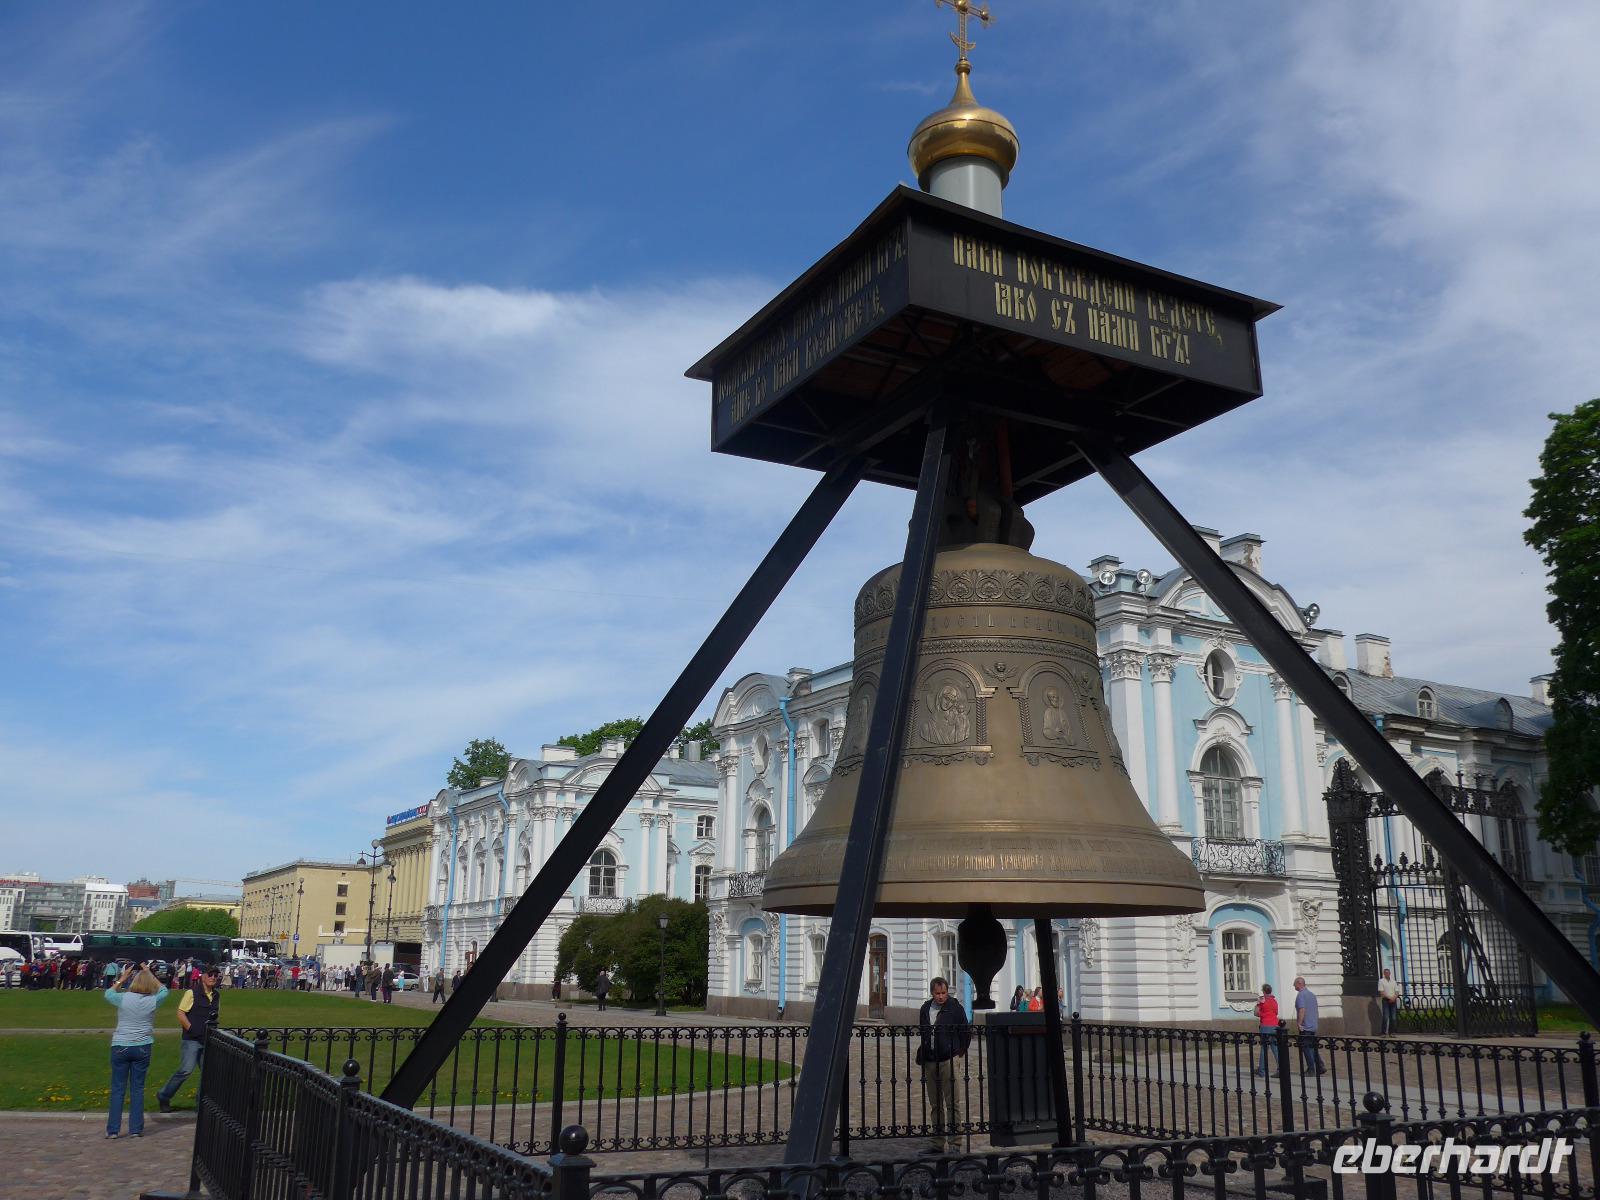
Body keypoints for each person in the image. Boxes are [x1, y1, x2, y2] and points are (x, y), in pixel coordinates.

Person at [104, 963, 169, 1138]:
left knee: (118, 1089)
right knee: (137, 1089)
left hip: (121, 1045)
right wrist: (150, 974)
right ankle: (135, 1129)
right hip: (142, 1045)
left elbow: (108, 993)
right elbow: (164, 991)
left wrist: (122, 978)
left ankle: (113, 1130)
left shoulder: (124, 998)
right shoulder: (152, 1000)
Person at [917, 977, 972, 1154]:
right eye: (937, 993)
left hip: (949, 1059)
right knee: (935, 1104)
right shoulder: (926, 1008)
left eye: (943, 993)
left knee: (952, 1103)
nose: (941, 996)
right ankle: (937, 1143)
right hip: (930, 1060)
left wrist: (960, 1051)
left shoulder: (955, 1008)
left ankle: (955, 1143)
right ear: (932, 993)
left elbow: (965, 1031)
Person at [156, 964, 221, 1113]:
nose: (213, 977)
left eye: (215, 975)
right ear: (202, 976)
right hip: (192, 1039)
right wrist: (192, 1029)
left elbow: (215, 1016)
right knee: (186, 1070)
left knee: (208, 1073)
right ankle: (164, 1095)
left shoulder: (216, 995)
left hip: (208, 1038)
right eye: (210, 974)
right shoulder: (192, 993)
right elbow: (180, 1013)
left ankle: (201, 1103)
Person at [1293, 977, 1326, 1074]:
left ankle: (1311, 1069)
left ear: (1299, 984)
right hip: (1313, 1024)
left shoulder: (1301, 995)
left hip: (1305, 1026)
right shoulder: (1312, 995)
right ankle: (1320, 1066)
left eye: (1294, 984)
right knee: (1313, 1046)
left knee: (1306, 1047)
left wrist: (1299, 1023)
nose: (1293, 986)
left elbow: (1302, 1010)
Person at [1254, 983, 1280, 1075]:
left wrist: (1258, 1005)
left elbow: (1256, 1013)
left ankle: (1262, 1070)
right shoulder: (1274, 1001)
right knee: (1275, 1048)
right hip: (1275, 1025)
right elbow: (1276, 1013)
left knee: (1264, 1048)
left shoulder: (1262, 1000)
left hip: (1265, 1026)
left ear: (1264, 991)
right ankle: (1280, 1069)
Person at [1377, 968, 1401, 1035]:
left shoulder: (1393, 981)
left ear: (1390, 973)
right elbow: (1382, 992)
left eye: (1388, 973)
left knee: (1393, 1017)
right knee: (1385, 1017)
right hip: (1386, 1000)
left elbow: (1397, 991)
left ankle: (1392, 1032)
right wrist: (1389, 998)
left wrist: (1394, 998)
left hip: (1393, 1000)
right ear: (1384, 974)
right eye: (1385, 973)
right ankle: (1383, 1032)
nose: (1387, 974)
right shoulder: (1381, 981)